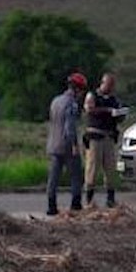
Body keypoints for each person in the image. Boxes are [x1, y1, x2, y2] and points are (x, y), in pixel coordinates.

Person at [46, 72, 88, 216]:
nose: (82, 94)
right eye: (82, 90)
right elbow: (69, 127)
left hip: (53, 143)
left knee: (54, 177)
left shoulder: (55, 101)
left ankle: (51, 206)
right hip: (67, 145)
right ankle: (75, 204)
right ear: (77, 89)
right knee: (76, 175)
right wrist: (75, 145)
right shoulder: (72, 104)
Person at [83, 73, 124, 208]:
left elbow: (118, 115)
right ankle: (89, 200)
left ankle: (110, 199)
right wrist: (107, 111)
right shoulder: (93, 96)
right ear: (103, 83)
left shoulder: (113, 99)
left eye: (112, 85)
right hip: (95, 136)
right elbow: (89, 109)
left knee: (110, 169)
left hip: (109, 136)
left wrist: (119, 114)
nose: (111, 87)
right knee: (92, 169)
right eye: (109, 84)